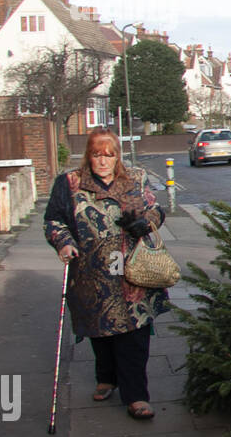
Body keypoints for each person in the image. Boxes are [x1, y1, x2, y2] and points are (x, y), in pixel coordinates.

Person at [44, 127, 171, 420]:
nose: (103, 161)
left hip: (133, 274)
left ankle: (137, 396)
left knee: (134, 337)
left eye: (109, 155)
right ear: (89, 156)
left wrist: (145, 223)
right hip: (92, 274)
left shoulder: (136, 179)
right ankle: (107, 377)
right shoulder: (70, 183)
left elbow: (156, 210)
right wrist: (63, 243)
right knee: (100, 334)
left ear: (117, 156)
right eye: (97, 155)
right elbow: (53, 220)